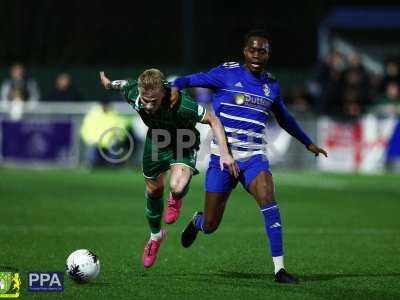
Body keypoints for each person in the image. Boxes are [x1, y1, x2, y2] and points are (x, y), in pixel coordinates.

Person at [171, 29, 328, 284]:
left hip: (254, 157)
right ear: (245, 52)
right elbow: (189, 79)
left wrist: (307, 142)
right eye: (252, 50)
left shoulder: (272, 84)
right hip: (221, 159)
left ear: (268, 54)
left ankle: (279, 270)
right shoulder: (226, 73)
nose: (257, 55)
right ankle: (197, 221)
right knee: (211, 225)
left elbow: (284, 118)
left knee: (268, 197)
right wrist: (176, 86)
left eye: (262, 51)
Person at [99, 69, 238, 268]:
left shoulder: (182, 104)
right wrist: (109, 84)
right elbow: (123, 84)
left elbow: (213, 120)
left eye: (153, 100)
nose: (147, 105)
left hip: (183, 141)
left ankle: (176, 198)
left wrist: (225, 153)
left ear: (164, 92)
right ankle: (156, 236)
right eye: (145, 99)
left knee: (178, 186)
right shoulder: (136, 96)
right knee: (154, 189)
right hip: (156, 141)